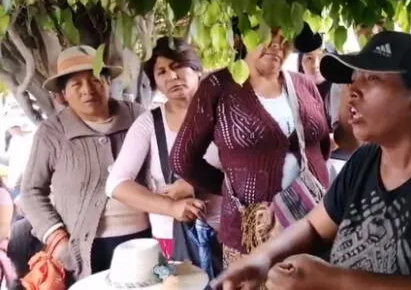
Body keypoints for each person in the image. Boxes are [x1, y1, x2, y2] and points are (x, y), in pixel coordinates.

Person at [211, 31, 411, 290]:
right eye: (354, 78)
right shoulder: (367, 158)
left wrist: (334, 281)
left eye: (372, 79)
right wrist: (262, 258)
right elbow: (313, 225)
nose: (352, 90)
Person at [170, 28, 331, 266]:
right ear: (242, 36)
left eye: (285, 37)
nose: (277, 44)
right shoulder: (218, 87)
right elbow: (183, 159)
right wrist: (230, 187)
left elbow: (322, 147)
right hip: (250, 236)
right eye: (268, 33)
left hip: (314, 227)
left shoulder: (305, 86)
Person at [19, 45, 151, 282]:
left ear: (108, 82)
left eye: (95, 79)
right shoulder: (52, 133)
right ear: (62, 94)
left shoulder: (136, 116)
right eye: (75, 84)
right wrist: (58, 240)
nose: (88, 89)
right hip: (85, 249)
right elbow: (30, 192)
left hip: (144, 239)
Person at [106, 38, 224, 266]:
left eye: (178, 66)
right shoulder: (149, 124)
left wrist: (196, 184)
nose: (171, 76)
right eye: (161, 72)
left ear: (196, 69)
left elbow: (251, 170)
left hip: (229, 235)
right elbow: (116, 184)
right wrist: (171, 207)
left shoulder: (226, 113)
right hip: (173, 240)